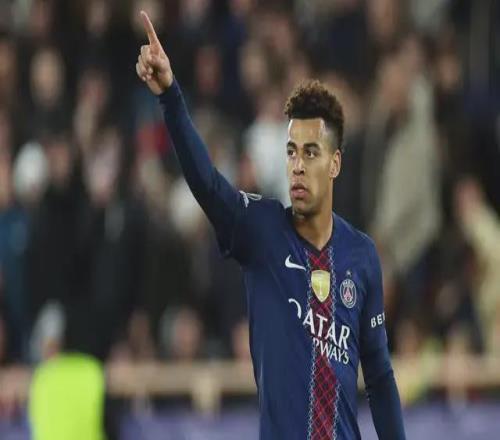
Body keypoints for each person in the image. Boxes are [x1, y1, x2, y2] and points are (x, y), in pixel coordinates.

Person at [135, 11, 406, 440]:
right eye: (291, 151)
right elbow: (207, 184)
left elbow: (379, 378)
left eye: (311, 153)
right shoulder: (262, 231)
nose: (297, 165)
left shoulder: (362, 256)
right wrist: (170, 95)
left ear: (335, 163)